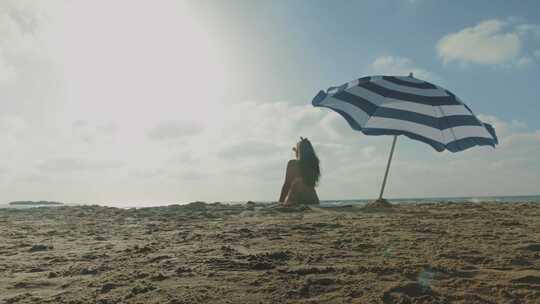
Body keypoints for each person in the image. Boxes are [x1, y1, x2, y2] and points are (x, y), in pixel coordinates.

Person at [279, 137, 320, 205]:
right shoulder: (314, 164)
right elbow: (304, 165)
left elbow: (287, 185)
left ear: (299, 151)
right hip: (313, 200)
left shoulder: (293, 164)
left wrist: (280, 202)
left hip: (297, 200)